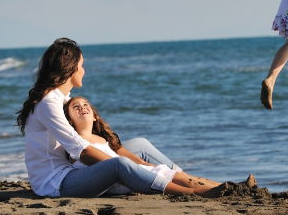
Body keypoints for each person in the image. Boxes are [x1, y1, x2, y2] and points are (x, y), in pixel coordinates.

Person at [17, 37, 254, 198]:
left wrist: (141, 163)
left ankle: (197, 181)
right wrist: (135, 168)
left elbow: (89, 139)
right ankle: (191, 193)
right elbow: (82, 151)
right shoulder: (50, 102)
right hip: (57, 183)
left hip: (72, 172)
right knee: (120, 164)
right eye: (81, 65)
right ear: (69, 68)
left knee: (138, 145)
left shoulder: (61, 99)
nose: (84, 71)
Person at [64, 95, 227, 195]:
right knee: (175, 176)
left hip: (128, 173)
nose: (82, 108)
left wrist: (143, 164)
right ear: (70, 121)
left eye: (86, 105)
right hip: (120, 180)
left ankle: (227, 187)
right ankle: (218, 190)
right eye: (76, 107)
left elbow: (120, 154)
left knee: (179, 175)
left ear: (94, 117)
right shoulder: (77, 142)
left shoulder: (101, 139)